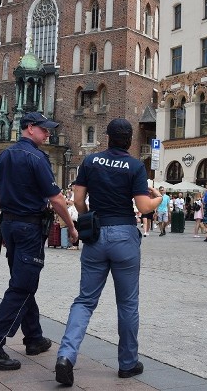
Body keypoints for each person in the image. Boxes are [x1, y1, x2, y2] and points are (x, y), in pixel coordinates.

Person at [55, 119, 162, 386]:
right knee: (127, 303)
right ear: (129, 139)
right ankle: (127, 364)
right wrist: (159, 196)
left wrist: (87, 219)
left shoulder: (90, 162)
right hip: (124, 234)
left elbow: (78, 199)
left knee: (85, 300)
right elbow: (144, 206)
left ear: (108, 138)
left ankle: (66, 356)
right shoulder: (136, 166)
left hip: (97, 234)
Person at [0, 112, 78, 371]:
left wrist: (2, 225)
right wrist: (71, 227)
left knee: (22, 280)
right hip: (29, 227)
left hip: (10, 226)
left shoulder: (3, 157)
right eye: (44, 130)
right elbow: (56, 199)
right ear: (30, 128)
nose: (49, 134)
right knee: (22, 287)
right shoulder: (37, 157)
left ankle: (33, 336)